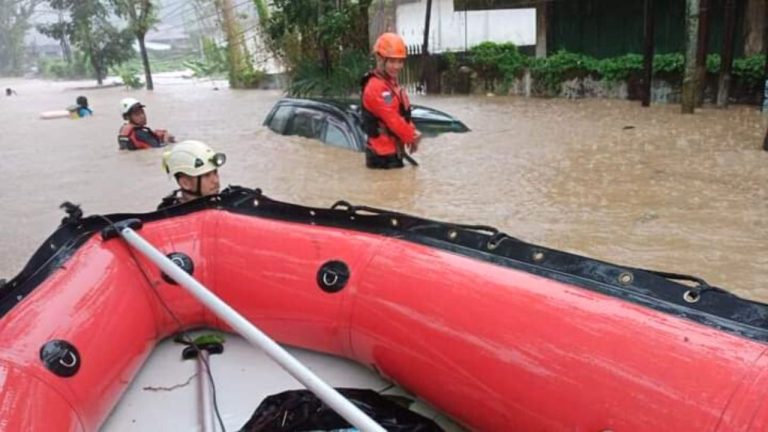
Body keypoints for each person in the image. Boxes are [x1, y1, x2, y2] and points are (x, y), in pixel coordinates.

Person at [360, 32, 422, 169]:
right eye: (392, 61)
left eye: (400, 61)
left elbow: (403, 115)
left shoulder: (390, 84)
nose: (397, 66)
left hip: (393, 152)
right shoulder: (376, 87)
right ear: (380, 59)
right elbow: (393, 119)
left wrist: (411, 133)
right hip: (381, 156)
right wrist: (412, 136)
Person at [158, 140, 226, 209]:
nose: (216, 181)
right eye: (206, 175)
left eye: (215, 172)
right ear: (185, 183)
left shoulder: (226, 203)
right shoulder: (169, 214)